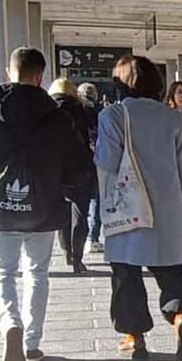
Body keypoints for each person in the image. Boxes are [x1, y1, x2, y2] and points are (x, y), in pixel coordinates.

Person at [0, 48, 92, 361]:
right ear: (40, 76)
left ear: (8, 71)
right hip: (43, 211)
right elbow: (79, 169)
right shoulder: (57, 115)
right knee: (36, 273)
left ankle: (10, 324)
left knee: (2, 273)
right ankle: (32, 345)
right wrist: (55, 188)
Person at [96, 55, 182, 361]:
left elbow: (106, 165)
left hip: (127, 208)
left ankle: (135, 337)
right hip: (168, 208)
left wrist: (103, 205)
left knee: (126, 275)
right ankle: (181, 318)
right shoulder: (173, 118)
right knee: (171, 272)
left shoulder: (112, 115)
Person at [48, 78, 94, 274]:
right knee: (80, 214)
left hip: (55, 169)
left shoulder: (47, 111)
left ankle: (66, 251)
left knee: (63, 212)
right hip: (80, 167)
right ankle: (77, 258)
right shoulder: (81, 109)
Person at [78, 83, 104, 253]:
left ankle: (77, 240)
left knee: (80, 202)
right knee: (96, 199)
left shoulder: (75, 112)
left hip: (79, 159)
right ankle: (92, 238)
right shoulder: (101, 113)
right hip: (98, 159)